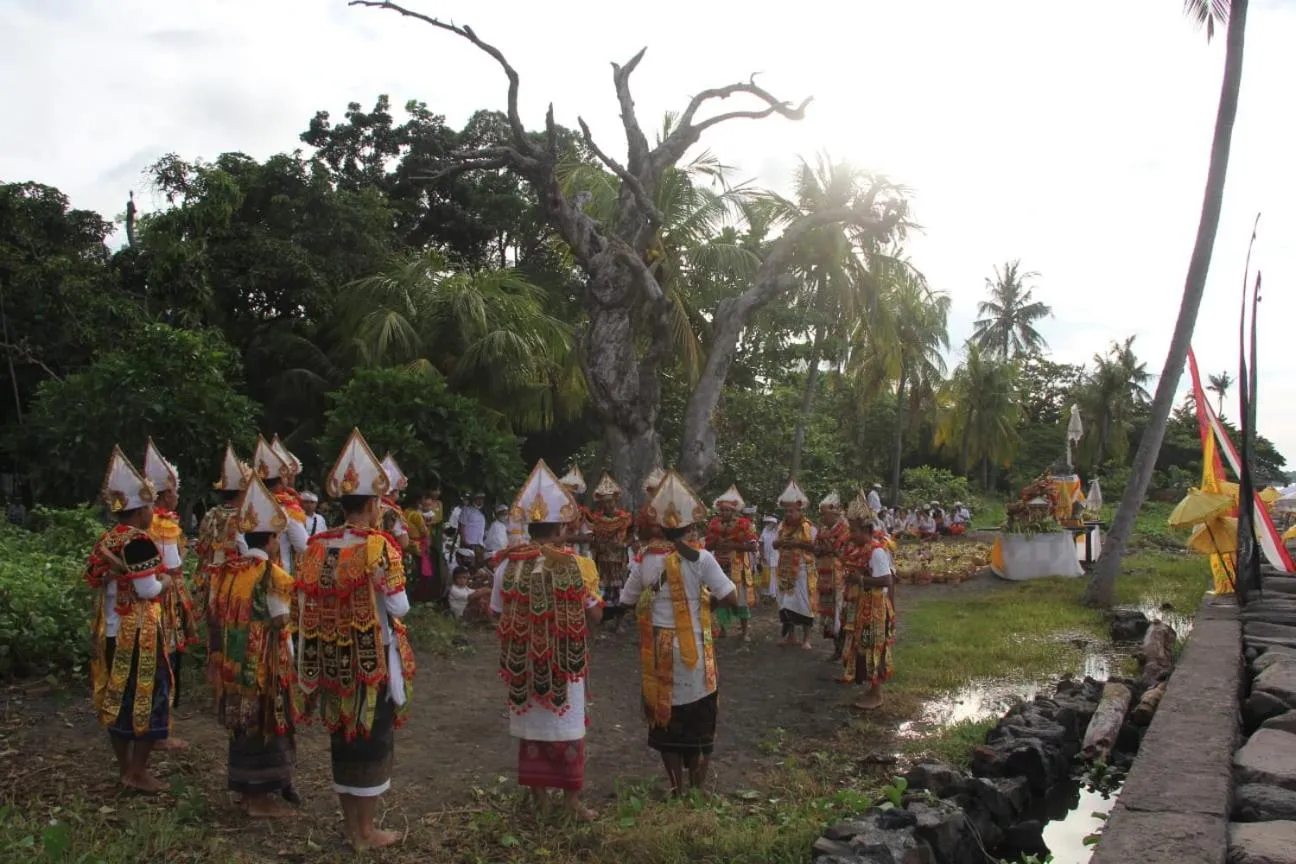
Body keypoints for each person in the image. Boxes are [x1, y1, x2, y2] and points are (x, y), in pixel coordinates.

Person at [294, 428, 415, 851]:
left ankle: (352, 827)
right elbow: (399, 609)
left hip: (329, 653)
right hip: (369, 656)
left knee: (342, 736)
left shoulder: (318, 545)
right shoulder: (378, 547)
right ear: (373, 503)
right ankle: (365, 832)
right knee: (370, 736)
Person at [491, 459, 603, 819]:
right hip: (563, 661)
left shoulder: (508, 564)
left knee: (533, 731)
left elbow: (496, 611)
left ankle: (539, 802)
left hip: (524, 662)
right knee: (568, 729)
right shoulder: (574, 565)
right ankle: (571, 804)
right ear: (561, 526)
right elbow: (595, 614)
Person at [619, 470, 737, 796]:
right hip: (695, 646)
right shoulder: (700, 557)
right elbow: (732, 597)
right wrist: (705, 605)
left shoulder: (645, 559)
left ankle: (676, 788)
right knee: (701, 709)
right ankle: (698, 786)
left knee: (664, 714)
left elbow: (627, 600)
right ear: (690, 523)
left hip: (660, 646)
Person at [86, 446, 172, 792]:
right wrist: (167, 581)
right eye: (151, 506)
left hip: (110, 629)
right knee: (148, 697)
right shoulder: (138, 542)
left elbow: (93, 578)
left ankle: (126, 769)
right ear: (140, 510)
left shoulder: (107, 539)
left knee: (116, 697)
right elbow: (149, 589)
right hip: (137, 634)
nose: (154, 512)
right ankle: (137, 771)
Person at [214, 476, 298, 818]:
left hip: (234, 665)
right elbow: (281, 625)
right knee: (265, 722)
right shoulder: (271, 575)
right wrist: (292, 662)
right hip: (263, 665)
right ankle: (259, 799)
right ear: (273, 539)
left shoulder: (231, 571)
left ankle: (247, 792)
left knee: (241, 722)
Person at [142, 439, 198, 751]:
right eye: (175, 491)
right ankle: (159, 730)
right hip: (163, 601)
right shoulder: (161, 524)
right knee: (165, 661)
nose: (178, 496)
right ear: (164, 494)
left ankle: (157, 725)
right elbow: (173, 566)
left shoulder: (153, 523)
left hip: (160, 600)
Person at [196, 444, 250, 689]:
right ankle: (231, 681)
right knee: (234, 634)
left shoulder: (210, 515)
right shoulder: (243, 519)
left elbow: (202, 550)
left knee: (216, 634)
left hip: (211, 580)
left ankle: (215, 681)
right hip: (234, 584)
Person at [839, 506, 896, 711]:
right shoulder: (861, 549)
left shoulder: (877, 551)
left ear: (867, 531)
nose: (851, 535)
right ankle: (871, 689)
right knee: (863, 645)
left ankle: (876, 693)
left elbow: (887, 580)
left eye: (854, 531)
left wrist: (860, 579)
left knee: (873, 646)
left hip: (875, 607)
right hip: (863, 603)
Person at [704, 486, 758, 642]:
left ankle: (745, 631)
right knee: (721, 597)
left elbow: (752, 546)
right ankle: (723, 629)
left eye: (728, 510)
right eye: (722, 510)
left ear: (734, 511)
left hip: (738, 566)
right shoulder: (713, 524)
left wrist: (734, 546)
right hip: (719, 565)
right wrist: (716, 543)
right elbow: (707, 546)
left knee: (740, 599)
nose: (725, 513)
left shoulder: (744, 524)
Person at [253, 436, 309, 578]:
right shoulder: (286, 506)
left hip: (248, 570)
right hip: (278, 574)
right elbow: (303, 546)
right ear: (282, 478)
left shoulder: (251, 503)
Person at [773, 480, 817, 650]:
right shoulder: (782, 526)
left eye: (792, 511)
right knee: (786, 604)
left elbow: (814, 547)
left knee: (804, 604)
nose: (789, 514)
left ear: (799, 510)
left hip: (802, 569)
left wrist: (796, 544)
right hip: (784, 569)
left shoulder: (808, 526)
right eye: (787, 511)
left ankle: (806, 639)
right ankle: (791, 636)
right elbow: (775, 544)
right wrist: (782, 542)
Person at [586, 473, 632, 633]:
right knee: (603, 591)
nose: (608, 505)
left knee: (620, 592)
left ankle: (619, 623)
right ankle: (604, 621)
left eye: (610, 501)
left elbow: (632, 536)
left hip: (618, 561)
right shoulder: (597, 520)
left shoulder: (625, 518)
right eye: (604, 502)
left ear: (615, 500)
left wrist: (624, 543)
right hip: (603, 561)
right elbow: (594, 539)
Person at [814, 491, 849, 657]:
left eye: (825, 514)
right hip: (825, 575)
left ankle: (842, 648)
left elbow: (840, 551)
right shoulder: (822, 529)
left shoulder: (845, 529)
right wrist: (824, 549)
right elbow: (817, 549)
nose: (822, 518)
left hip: (840, 575)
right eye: (821, 515)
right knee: (829, 612)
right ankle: (837, 647)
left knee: (840, 611)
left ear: (834, 514)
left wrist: (826, 549)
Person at [406, 485, 446, 603]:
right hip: (420, 546)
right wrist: (427, 545)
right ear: (419, 500)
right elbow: (424, 532)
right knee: (424, 572)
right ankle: (423, 597)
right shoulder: (417, 515)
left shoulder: (406, 512)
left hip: (409, 544)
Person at [634, 467, 666, 549]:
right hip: (648, 546)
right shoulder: (645, 509)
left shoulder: (670, 508)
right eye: (653, 491)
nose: (656, 494)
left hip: (666, 547)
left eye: (659, 491)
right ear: (650, 492)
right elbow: (638, 529)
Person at [459, 492, 487, 567]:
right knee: (468, 566)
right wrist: (464, 540)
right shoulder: (466, 510)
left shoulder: (481, 515)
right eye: (478, 499)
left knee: (478, 566)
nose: (480, 501)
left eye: (482, 499)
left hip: (479, 545)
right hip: (469, 543)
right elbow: (462, 525)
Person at [759, 515, 780, 598]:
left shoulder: (778, 531)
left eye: (770, 522)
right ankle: (766, 592)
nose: (768, 524)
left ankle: (774, 592)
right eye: (767, 522)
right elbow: (761, 543)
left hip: (775, 555)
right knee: (766, 573)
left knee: (774, 574)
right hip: (766, 556)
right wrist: (762, 554)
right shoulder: (765, 530)